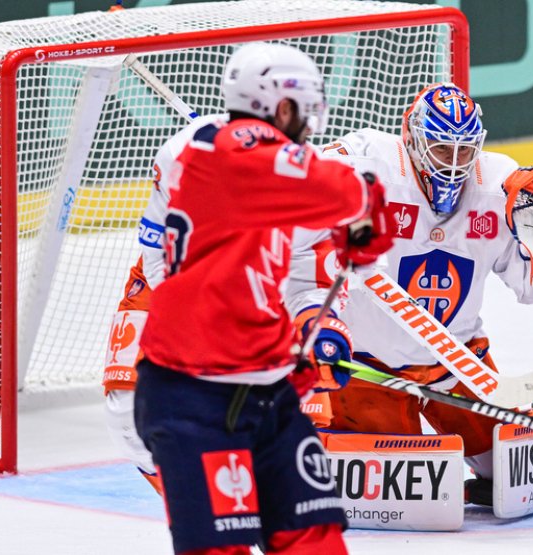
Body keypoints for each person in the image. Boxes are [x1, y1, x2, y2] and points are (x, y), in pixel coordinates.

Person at [122, 42, 394, 554]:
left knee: (316, 541)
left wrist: (272, 356)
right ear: (282, 107)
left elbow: (255, 273)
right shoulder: (244, 155)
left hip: (263, 389)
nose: (309, 127)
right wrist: (365, 205)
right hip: (192, 398)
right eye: (304, 111)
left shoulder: (228, 161)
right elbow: (348, 189)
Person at [293, 82, 533, 492]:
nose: (455, 164)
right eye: (442, 149)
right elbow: (297, 193)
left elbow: (532, 286)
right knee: (405, 479)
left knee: (511, 474)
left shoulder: (497, 184)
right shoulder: (370, 161)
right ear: (413, 139)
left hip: (460, 364)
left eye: (466, 150)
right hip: (371, 367)